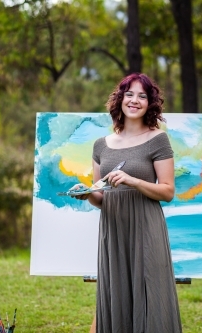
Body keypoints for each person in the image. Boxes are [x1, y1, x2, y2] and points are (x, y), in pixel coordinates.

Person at [73, 73, 182, 333]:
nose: (135, 100)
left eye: (142, 96)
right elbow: (101, 195)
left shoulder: (158, 139)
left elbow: (167, 191)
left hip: (146, 227)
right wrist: (86, 193)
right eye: (129, 94)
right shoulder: (101, 145)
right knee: (116, 291)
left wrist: (133, 181)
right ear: (120, 99)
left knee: (150, 293)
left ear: (150, 103)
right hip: (113, 229)